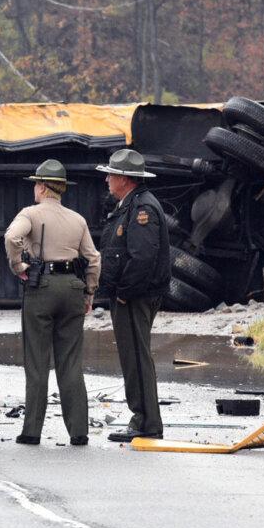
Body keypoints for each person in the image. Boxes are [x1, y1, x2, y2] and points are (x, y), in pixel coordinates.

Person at [4, 160, 101, 446]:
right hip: (72, 286)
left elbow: (12, 236)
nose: (34, 188)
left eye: (36, 183)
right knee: (70, 361)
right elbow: (93, 258)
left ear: (43, 186)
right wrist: (89, 292)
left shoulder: (30, 214)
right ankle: (78, 431)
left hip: (42, 286)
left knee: (37, 361)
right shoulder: (77, 219)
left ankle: (32, 430)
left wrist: (18, 265)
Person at [95, 149, 170, 443]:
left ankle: (146, 421)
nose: (107, 180)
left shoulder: (142, 209)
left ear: (125, 179)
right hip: (132, 294)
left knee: (136, 357)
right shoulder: (132, 204)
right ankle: (142, 417)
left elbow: (141, 258)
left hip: (135, 296)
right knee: (133, 356)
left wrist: (124, 293)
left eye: (111, 174)